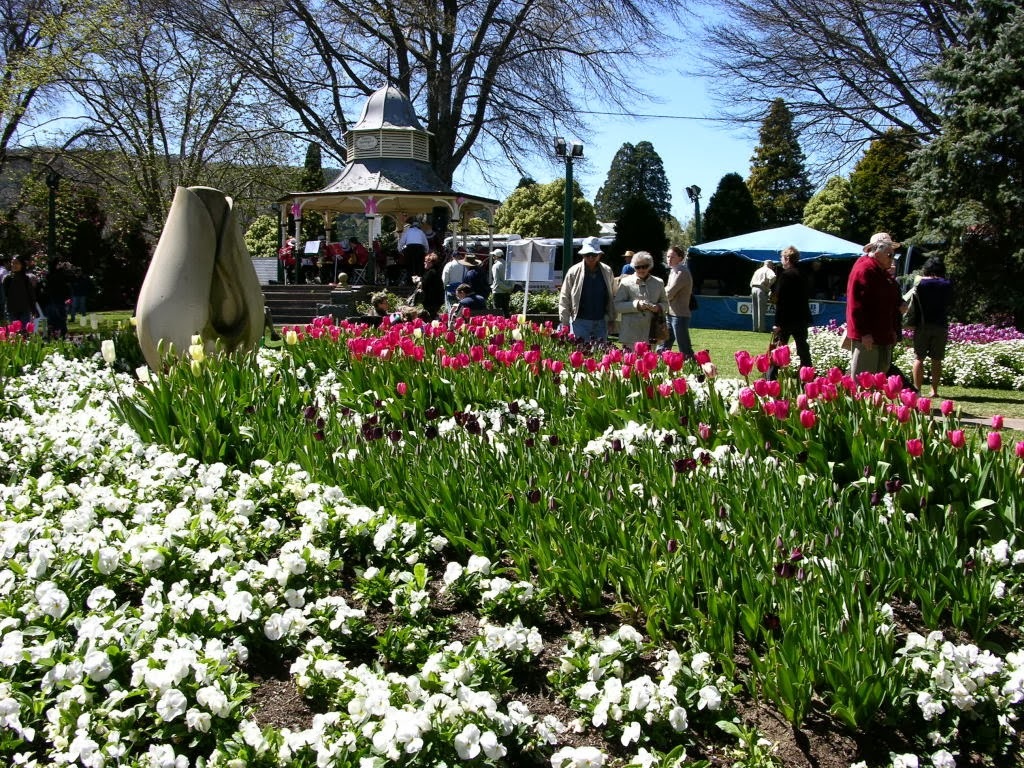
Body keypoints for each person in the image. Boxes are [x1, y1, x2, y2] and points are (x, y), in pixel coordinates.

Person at [845, 232, 905, 377]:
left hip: (883, 334)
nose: (892, 258)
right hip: (869, 337)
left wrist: (894, 327)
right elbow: (856, 305)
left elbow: (891, 298)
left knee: (880, 375)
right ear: (877, 253)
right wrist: (864, 333)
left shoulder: (882, 272)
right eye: (889, 255)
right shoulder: (865, 270)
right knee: (863, 378)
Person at [909, 257, 954, 397]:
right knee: (937, 359)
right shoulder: (947, 283)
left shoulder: (920, 283)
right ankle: (934, 390)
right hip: (940, 324)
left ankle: (917, 389)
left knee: (919, 357)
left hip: (922, 324)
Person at [766, 246, 812, 379]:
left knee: (778, 350)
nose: (781, 261)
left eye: (781, 258)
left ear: (787, 259)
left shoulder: (786, 275)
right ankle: (808, 376)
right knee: (803, 350)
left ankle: (771, 378)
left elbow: (781, 301)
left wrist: (777, 323)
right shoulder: (803, 274)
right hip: (801, 318)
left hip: (786, 319)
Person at [557, 236, 615, 342]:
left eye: (594, 255)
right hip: (579, 322)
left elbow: (612, 296)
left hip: (601, 322)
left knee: (601, 351)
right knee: (580, 350)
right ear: (582, 255)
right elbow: (564, 297)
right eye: (587, 255)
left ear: (599, 255)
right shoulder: (573, 271)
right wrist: (565, 322)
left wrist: (611, 319)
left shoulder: (607, 271)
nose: (591, 258)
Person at [614, 251, 668, 349]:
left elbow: (665, 304)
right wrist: (636, 305)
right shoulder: (625, 282)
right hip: (630, 333)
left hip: (651, 333)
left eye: (644, 266)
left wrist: (658, 307)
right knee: (630, 359)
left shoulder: (658, 282)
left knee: (649, 359)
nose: (641, 269)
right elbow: (617, 305)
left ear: (650, 266)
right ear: (633, 267)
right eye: (638, 267)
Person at [660, 246, 695, 357]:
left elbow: (669, 293)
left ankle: (693, 366)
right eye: (668, 257)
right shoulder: (673, 271)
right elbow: (667, 291)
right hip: (670, 313)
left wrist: (659, 295)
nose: (669, 259)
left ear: (680, 258)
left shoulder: (682, 272)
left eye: (672, 257)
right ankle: (658, 364)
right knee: (663, 345)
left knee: (684, 348)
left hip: (679, 315)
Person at [2, 256, 38, 330]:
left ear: (22, 265)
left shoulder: (26, 278)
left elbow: (31, 295)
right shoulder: (7, 278)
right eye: (13, 263)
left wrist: (33, 310)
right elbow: (4, 295)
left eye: (17, 263)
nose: (14, 265)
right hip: (11, 310)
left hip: (24, 310)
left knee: (24, 331)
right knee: (14, 332)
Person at [414, 251, 446, 319]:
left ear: (431, 263)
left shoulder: (431, 272)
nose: (424, 263)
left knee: (430, 317)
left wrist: (417, 280)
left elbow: (424, 284)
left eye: (426, 261)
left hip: (431, 301)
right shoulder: (437, 271)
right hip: (437, 299)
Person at [749, 259, 776, 332]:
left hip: (753, 289)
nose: (772, 267)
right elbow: (773, 277)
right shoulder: (768, 270)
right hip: (761, 289)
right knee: (761, 310)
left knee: (754, 310)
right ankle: (761, 329)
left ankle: (755, 328)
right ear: (770, 265)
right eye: (772, 265)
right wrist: (768, 285)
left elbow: (751, 283)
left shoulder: (757, 270)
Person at [489, 248, 515, 317]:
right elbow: (513, 279)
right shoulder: (508, 265)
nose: (493, 257)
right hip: (507, 292)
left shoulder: (495, 266)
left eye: (493, 255)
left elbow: (497, 281)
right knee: (506, 311)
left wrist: (505, 288)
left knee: (497, 313)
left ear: (496, 256)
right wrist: (509, 288)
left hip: (498, 292)